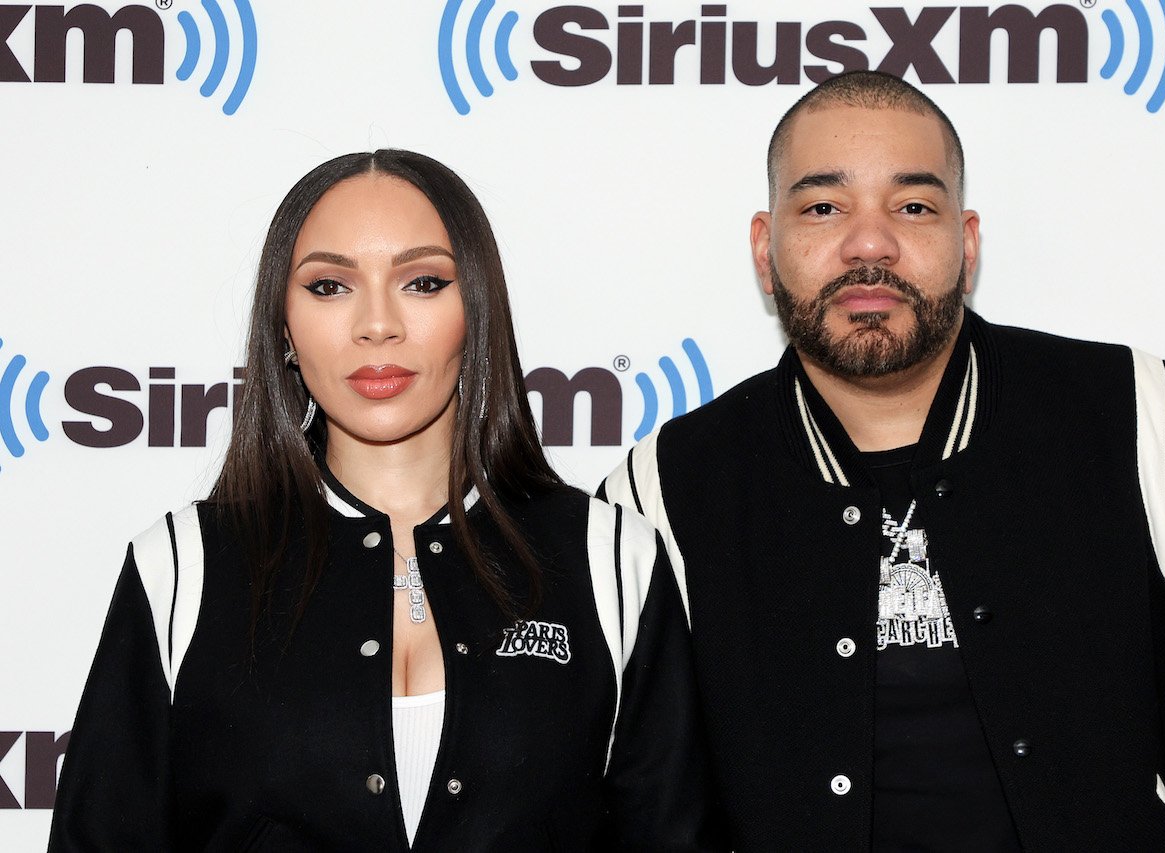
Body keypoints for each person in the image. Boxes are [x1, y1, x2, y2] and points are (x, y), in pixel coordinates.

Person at [600, 70, 1165, 851]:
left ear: (967, 240)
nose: (869, 243)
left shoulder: (1145, 415)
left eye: (914, 206)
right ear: (765, 247)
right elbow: (645, 805)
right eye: (823, 206)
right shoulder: (662, 492)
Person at [50, 150, 723, 852]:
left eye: (424, 281)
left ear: (478, 311)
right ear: (282, 325)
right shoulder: (181, 566)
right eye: (330, 286)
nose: (377, 324)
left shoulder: (612, 558)